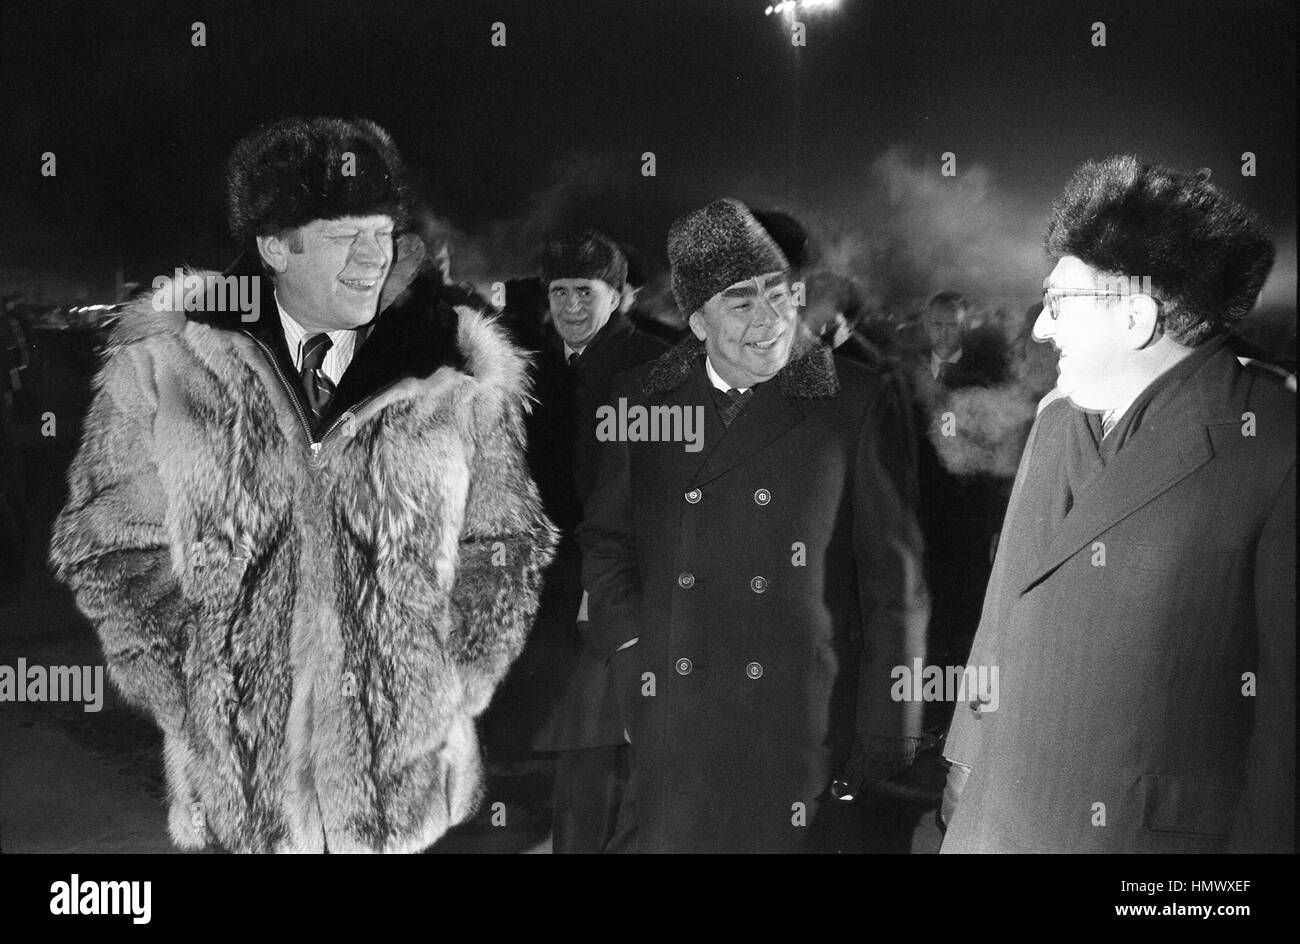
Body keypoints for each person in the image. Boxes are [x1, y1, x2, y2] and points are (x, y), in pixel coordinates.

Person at [48, 116, 557, 854]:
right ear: (274, 246)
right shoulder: (166, 362)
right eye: (343, 237)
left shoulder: (457, 372)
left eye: (381, 235)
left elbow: (505, 541)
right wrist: (193, 689)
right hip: (241, 795)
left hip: (401, 793)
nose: (370, 260)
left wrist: (446, 681)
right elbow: (108, 548)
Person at [941, 155, 1294, 853]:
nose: (1041, 329)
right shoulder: (1055, 419)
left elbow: (1286, 725)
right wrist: (964, 759)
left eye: (1059, 302)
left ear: (1134, 316)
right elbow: (1004, 606)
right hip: (995, 823)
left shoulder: (1275, 441)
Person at [578, 198, 928, 853]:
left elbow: (894, 575)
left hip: (803, 720)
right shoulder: (640, 399)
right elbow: (608, 543)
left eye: (781, 295)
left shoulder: (850, 399)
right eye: (742, 302)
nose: (770, 320)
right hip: (674, 713)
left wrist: (889, 722)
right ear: (697, 318)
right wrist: (631, 655)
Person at [499, 231, 667, 853]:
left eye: (585, 292)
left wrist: (607, 585)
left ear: (619, 295)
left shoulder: (654, 366)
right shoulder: (532, 367)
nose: (571, 306)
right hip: (549, 581)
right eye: (559, 292)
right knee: (583, 741)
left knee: (596, 745)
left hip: (618, 581)